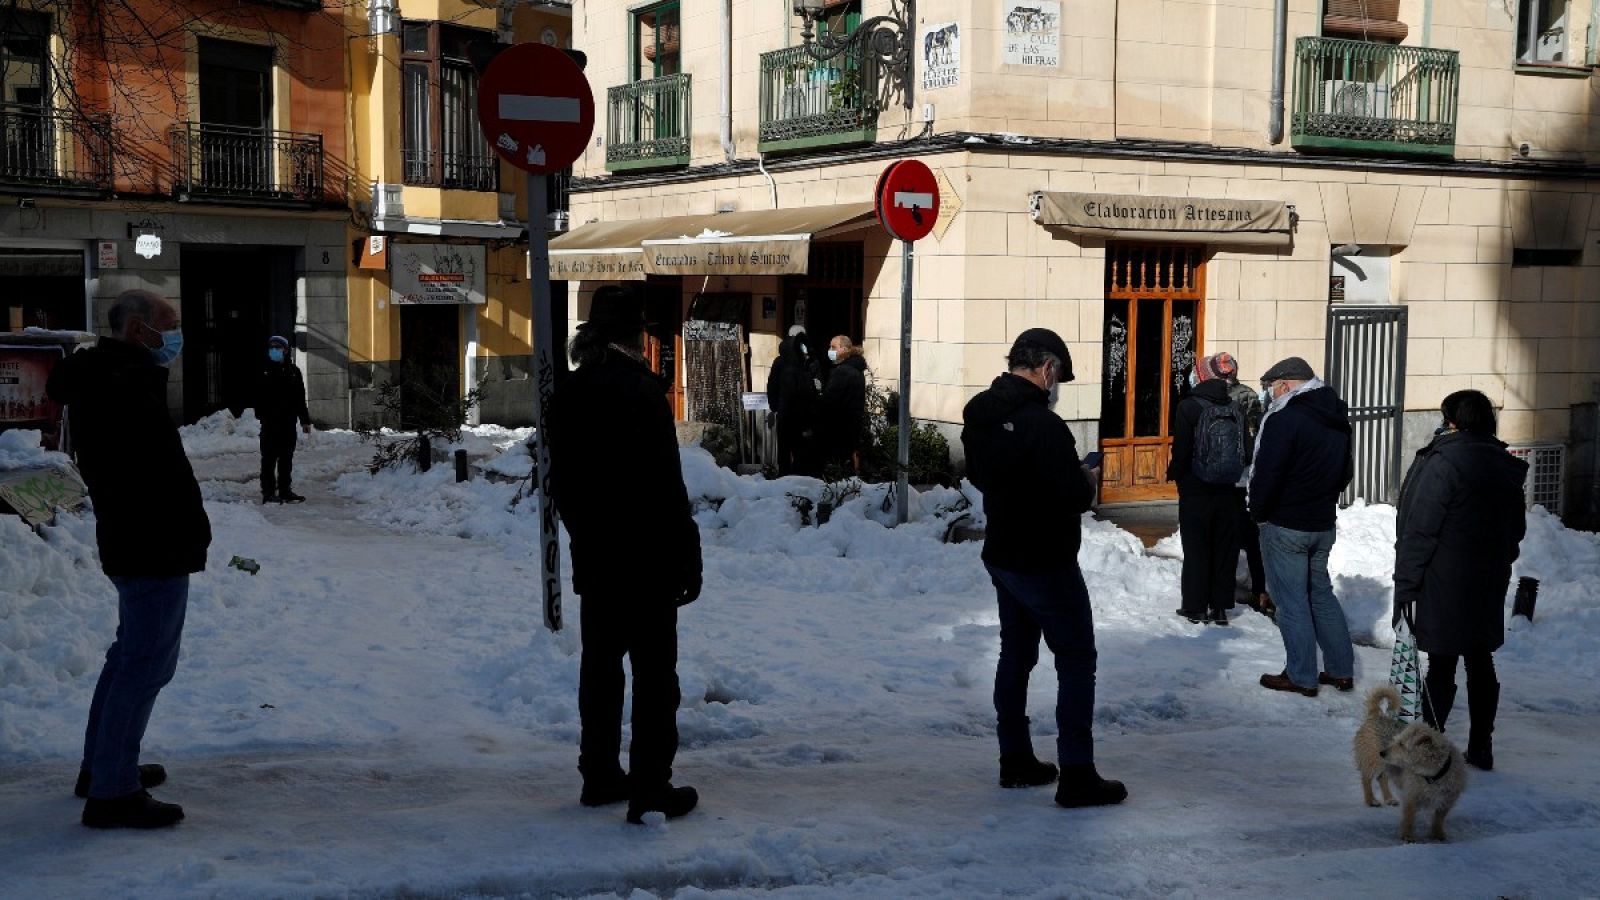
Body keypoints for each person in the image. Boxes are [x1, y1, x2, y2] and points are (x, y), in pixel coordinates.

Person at [46, 289, 210, 829]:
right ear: (140, 330)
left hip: (135, 539)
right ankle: (113, 791)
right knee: (145, 665)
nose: (177, 335)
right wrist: (185, 530)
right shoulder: (124, 384)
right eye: (171, 324)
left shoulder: (109, 376)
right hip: (150, 543)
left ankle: (103, 768)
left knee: (127, 659)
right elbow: (149, 475)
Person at [546, 284, 703, 825]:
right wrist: (688, 553)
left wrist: (587, 537)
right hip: (649, 560)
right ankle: (651, 788)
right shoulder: (640, 392)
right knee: (656, 677)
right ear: (633, 335)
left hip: (599, 559)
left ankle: (600, 775)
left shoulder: (569, 393)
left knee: (602, 671)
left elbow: (561, 484)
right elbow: (666, 484)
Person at [961, 327, 1127, 808]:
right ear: (1048, 368)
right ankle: (1077, 773)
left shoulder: (979, 413)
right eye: (1058, 377)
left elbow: (980, 474)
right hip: (1046, 560)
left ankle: (1014, 759)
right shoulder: (1045, 426)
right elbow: (1072, 497)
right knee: (1077, 660)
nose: (1057, 388)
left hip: (1004, 554)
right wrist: (1087, 479)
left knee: (1016, 655)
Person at [1395, 389, 1528, 771]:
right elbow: (1514, 530)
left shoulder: (1443, 461)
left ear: (1453, 421)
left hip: (1444, 578)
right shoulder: (1503, 463)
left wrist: (1406, 584)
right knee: (1480, 659)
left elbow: (1420, 530)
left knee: (1441, 664)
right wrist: (1497, 560)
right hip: (1487, 578)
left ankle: (1426, 747)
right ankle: (1481, 746)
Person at [1248, 357, 1355, 697]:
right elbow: (1345, 473)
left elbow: (1267, 473)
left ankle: (1301, 675)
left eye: (1272, 389)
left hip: (1286, 523)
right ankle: (1340, 670)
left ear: (1285, 385)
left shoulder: (1286, 418)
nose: (1270, 395)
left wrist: (1259, 513)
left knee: (1291, 601)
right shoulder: (1336, 415)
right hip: (1322, 521)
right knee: (1320, 594)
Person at [1167, 352, 1244, 626]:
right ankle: (1220, 608)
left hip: (1196, 487)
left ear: (1201, 376)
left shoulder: (1188, 406)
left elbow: (1182, 449)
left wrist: (1175, 473)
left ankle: (1195, 606)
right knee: (1224, 548)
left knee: (1197, 546)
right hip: (1228, 488)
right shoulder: (1235, 406)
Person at [253, 335, 312, 504]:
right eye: (271, 347)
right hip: (270, 423)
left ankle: (285, 490)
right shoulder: (263, 370)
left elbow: (300, 398)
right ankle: (268, 492)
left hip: (288, 422)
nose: (274, 351)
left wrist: (305, 420)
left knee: (286, 458)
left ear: (285, 350)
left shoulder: (293, 372)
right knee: (269, 458)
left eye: (278, 348)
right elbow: (257, 396)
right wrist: (262, 415)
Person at [766, 325, 821, 476]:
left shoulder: (780, 361)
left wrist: (775, 407)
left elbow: (772, 386)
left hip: (785, 412)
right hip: (802, 413)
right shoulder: (808, 360)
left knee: (784, 450)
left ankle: (785, 481)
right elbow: (814, 388)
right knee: (801, 450)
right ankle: (799, 482)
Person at [820, 334, 868, 474]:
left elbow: (830, 400)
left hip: (838, 426)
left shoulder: (842, 372)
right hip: (852, 424)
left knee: (838, 467)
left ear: (844, 349)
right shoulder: (855, 369)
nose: (830, 350)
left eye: (833, 347)